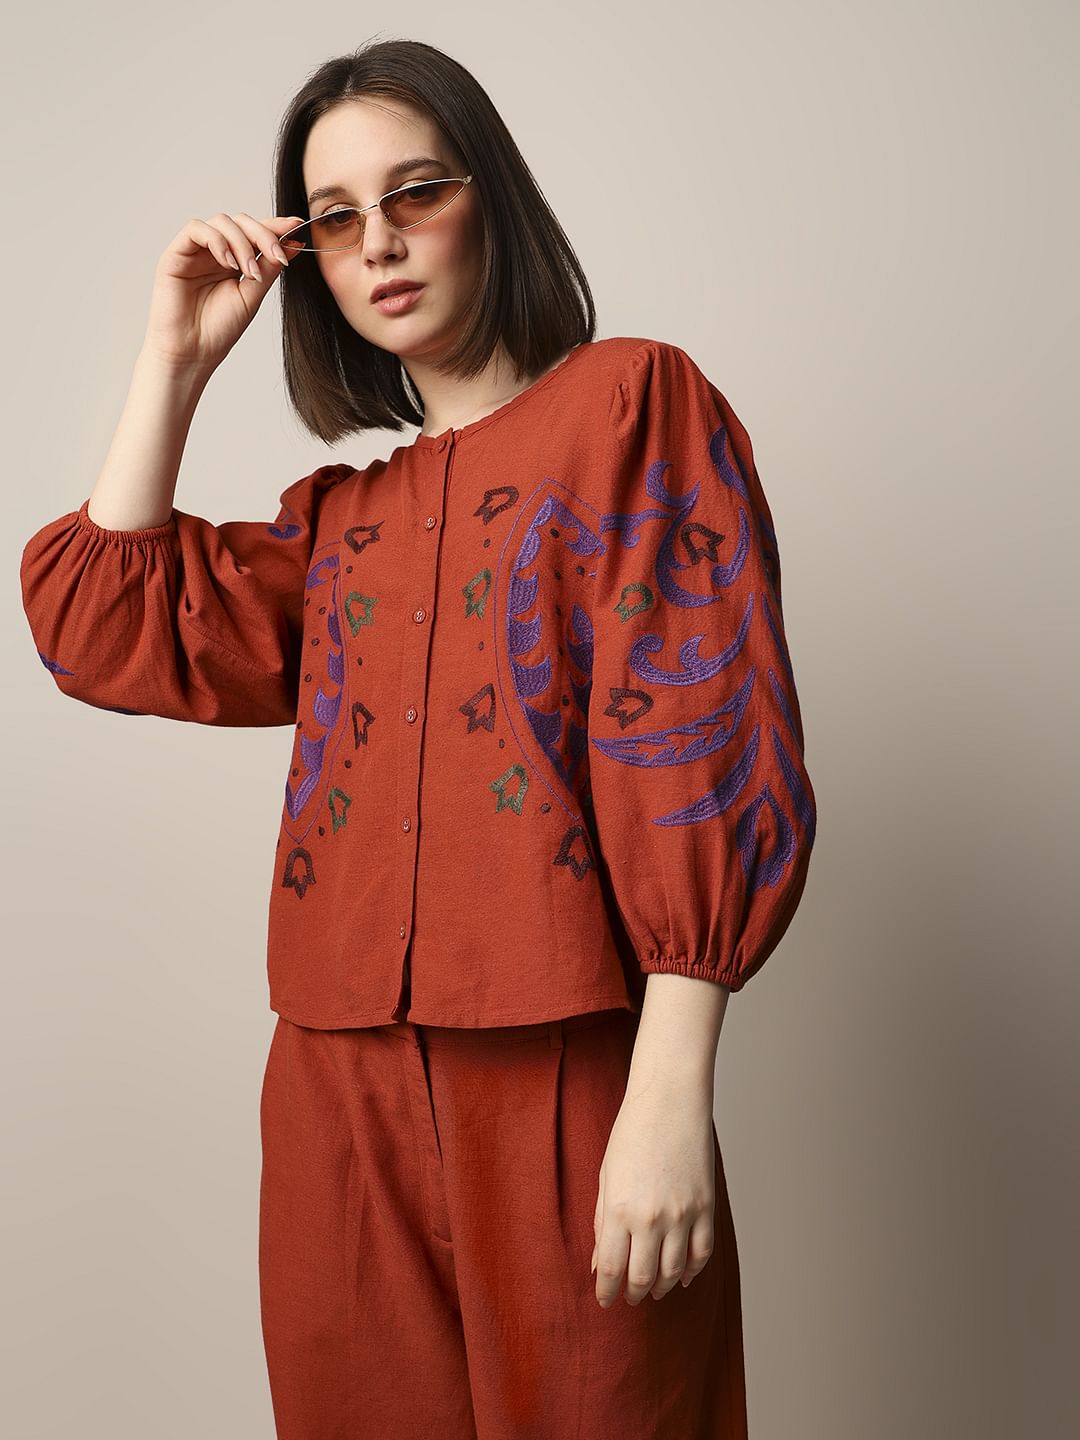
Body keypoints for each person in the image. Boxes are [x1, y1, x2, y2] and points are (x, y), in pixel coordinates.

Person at [19, 36, 817, 1440]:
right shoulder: (338, 526)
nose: (379, 242)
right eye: (335, 218)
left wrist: (667, 1094)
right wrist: (174, 358)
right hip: (333, 1090)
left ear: (490, 199)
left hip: (566, 1067)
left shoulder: (632, 406)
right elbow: (100, 623)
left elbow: (701, 742)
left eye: (416, 192)